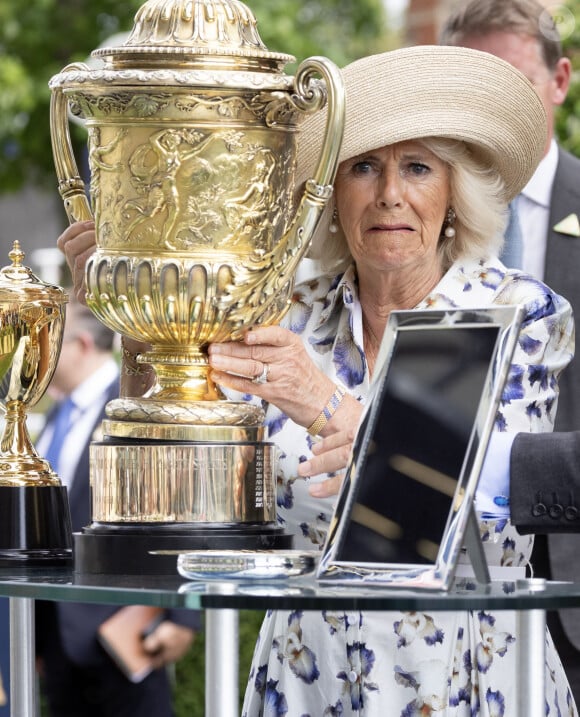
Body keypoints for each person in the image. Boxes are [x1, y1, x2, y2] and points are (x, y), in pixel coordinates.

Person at [57, 46, 576, 714]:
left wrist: (327, 402)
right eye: (364, 167)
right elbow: (188, 482)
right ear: (331, 197)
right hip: (308, 674)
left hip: (468, 674)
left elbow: (484, 511)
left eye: (416, 167)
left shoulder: (513, 310)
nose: (390, 192)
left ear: (454, 193)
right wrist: (136, 316)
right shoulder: (288, 312)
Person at [440, 0, 580, 702]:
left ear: (559, 79)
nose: (492, 110)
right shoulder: (418, 227)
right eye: (472, 87)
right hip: (452, 604)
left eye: (512, 83)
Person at [34, 295, 200, 717]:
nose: (33, 359)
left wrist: (183, 620)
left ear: (83, 344)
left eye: (43, 345)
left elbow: (180, 503)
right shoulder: (55, 417)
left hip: (125, 635)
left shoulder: (139, 404)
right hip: (55, 641)